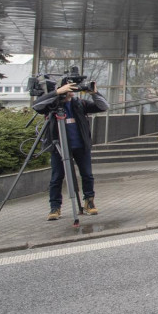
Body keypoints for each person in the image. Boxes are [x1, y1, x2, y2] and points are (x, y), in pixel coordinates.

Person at [32, 79, 108, 221]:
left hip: (80, 145)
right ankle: (55, 207)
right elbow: (36, 106)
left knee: (87, 175)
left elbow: (103, 106)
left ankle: (89, 202)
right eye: (68, 88)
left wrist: (94, 93)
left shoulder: (80, 104)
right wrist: (57, 93)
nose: (71, 91)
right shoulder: (52, 105)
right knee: (56, 178)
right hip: (58, 146)